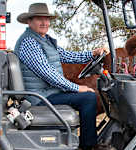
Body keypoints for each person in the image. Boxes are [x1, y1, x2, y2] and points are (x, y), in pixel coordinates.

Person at [14, 3, 109, 150]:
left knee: (87, 95)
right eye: (39, 19)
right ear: (29, 21)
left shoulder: (45, 40)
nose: (44, 23)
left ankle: (85, 140)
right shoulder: (29, 42)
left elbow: (68, 56)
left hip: (47, 93)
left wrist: (93, 54)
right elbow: (47, 73)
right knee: (88, 97)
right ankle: (88, 146)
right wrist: (76, 88)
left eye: (46, 19)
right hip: (38, 97)